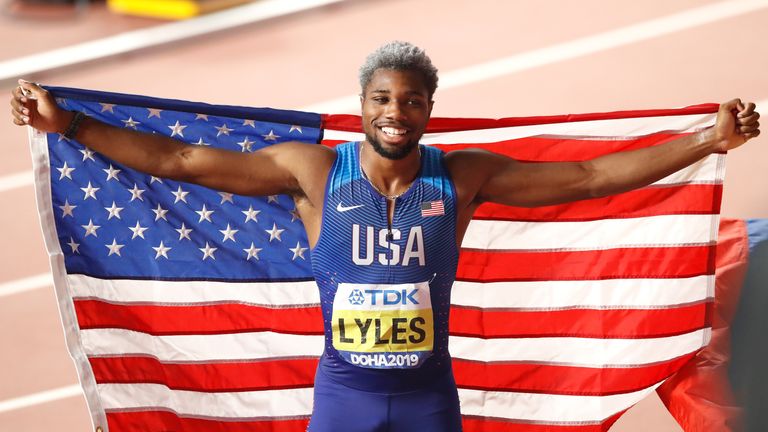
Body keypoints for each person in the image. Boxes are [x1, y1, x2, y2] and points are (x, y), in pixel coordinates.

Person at [8, 41, 761, 431]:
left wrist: (705, 141)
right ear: (362, 105)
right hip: (346, 400)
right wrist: (67, 123)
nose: (394, 111)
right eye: (381, 99)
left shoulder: (459, 178)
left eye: (409, 100)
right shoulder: (311, 172)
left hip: (429, 399)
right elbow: (179, 159)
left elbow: (592, 178)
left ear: (429, 108)